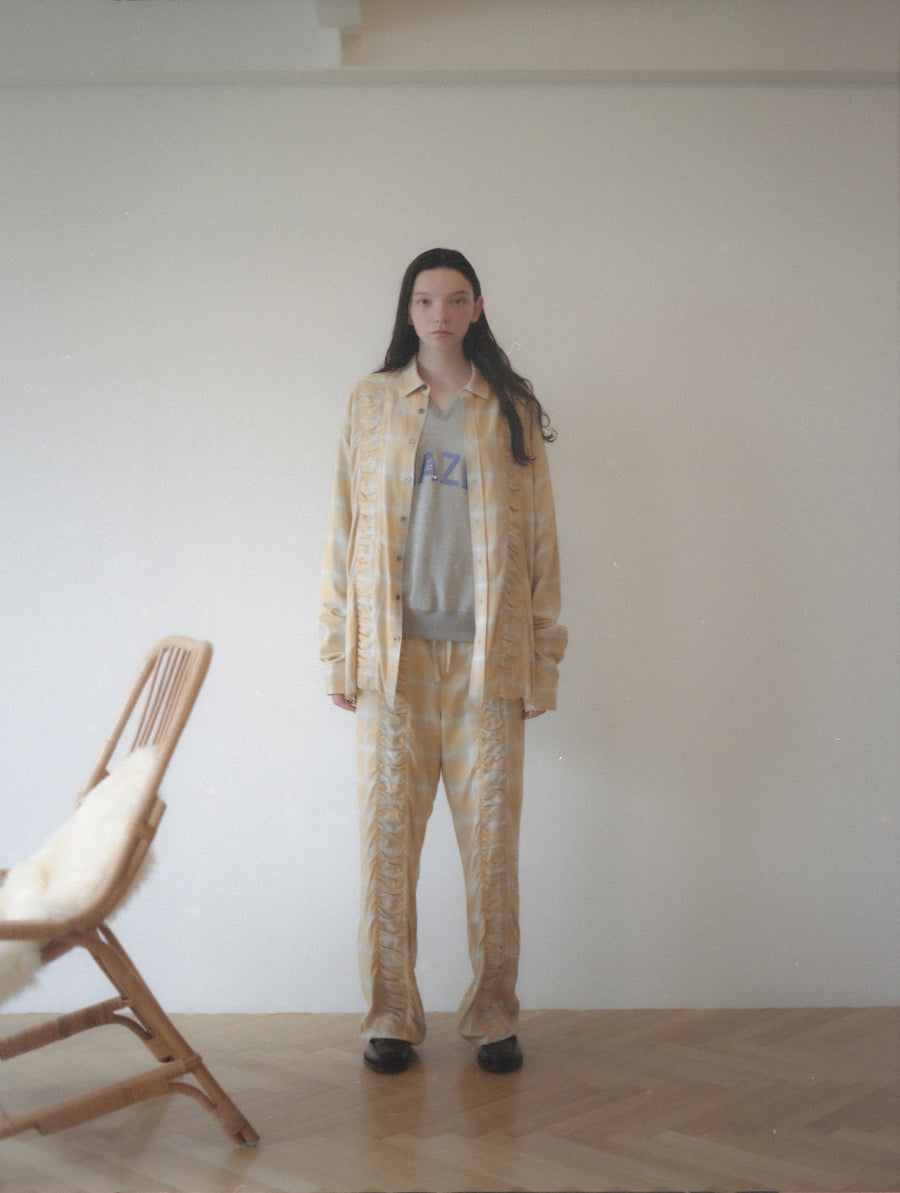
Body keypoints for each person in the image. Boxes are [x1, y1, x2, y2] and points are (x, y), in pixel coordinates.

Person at [320, 248, 566, 1075]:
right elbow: (342, 529)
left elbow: (540, 540)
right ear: (409, 308)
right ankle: (391, 1015)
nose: (440, 314)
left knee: (491, 846)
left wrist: (542, 658)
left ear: (477, 308)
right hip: (393, 663)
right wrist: (340, 651)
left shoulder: (510, 408)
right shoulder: (371, 402)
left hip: (489, 661)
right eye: (426, 300)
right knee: (387, 845)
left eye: (456, 300)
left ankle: (494, 1016)